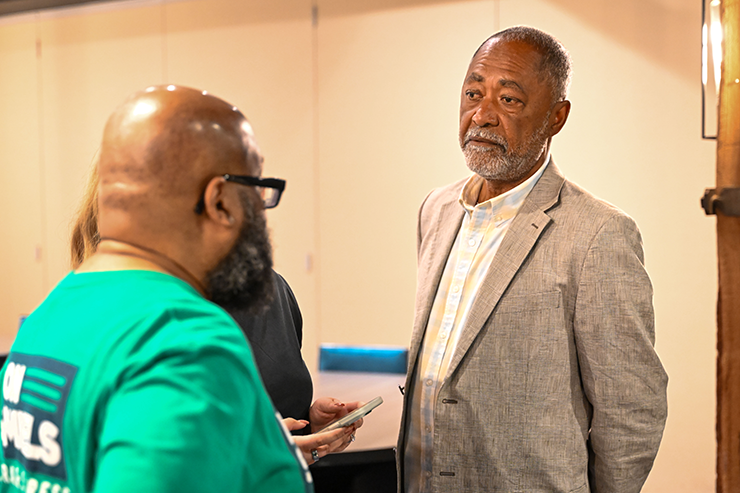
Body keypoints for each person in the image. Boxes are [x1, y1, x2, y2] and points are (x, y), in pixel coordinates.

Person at [0, 85, 347, 493]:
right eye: (255, 190)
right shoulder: (183, 340)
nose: (261, 211)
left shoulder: (47, 320)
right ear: (218, 200)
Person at [397, 27, 668, 493]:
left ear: (557, 117)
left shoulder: (597, 234)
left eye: (509, 100)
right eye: (473, 93)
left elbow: (632, 409)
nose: (481, 115)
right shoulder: (436, 210)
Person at [69, 133, 360, 465]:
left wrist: (306, 424)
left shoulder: (271, 293)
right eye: (247, 190)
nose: (258, 211)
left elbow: (269, 407)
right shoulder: (127, 314)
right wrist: (259, 450)